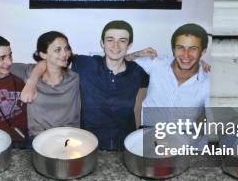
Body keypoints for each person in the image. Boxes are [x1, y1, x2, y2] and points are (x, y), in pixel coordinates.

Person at [22, 21, 150, 151]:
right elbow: (51, 61)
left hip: (126, 145)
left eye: (122, 41)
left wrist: (134, 55)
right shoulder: (85, 64)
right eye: (110, 40)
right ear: (102, 43)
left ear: (130, 44)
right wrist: (31, 82)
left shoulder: (138, 71)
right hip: (87, 145)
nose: (115, 45)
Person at [0, 31, 81, 139]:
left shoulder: (74, 78)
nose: (65, 53)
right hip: (38, 138)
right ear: (43, 54)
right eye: (58, 50)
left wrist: (31, 81)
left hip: (68, 137)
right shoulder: (27, 71)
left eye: (66, 48)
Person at [128, 23, 210, 127]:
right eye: (180, 47)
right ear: (173, 50)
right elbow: (115, 62)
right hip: (148, 134)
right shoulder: (157, 63)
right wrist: (134, 54)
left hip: (183, 139)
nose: (186, 54)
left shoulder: (208, 83)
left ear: (203, 52)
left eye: (193, 48)